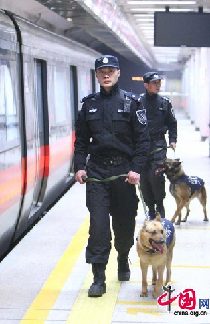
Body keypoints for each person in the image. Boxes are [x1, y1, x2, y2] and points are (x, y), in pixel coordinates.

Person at [74, 55, 150, 297]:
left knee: (125, 225)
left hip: (123, 175)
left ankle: (123, 257)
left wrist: (136, 168)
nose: (106, 74)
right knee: (98, 227)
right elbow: (81, 142)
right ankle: (98, 278)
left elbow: (143, 141)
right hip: (97, 174)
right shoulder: (88, 105)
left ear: (118, 74)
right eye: (101, 71)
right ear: (96, 75)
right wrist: (79, 166)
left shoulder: (132, 103)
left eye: (110, 70)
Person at [139, 71, 177, 219]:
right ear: (146, 85)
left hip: (159, 145)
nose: (158, 85)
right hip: (142, 146)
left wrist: (173, 139)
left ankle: (160, 206)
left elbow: (172, 123)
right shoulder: (138, 102)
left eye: (159, 83)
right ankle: (150, 208)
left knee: (156, 177)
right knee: (144, 180)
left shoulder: (164, 103)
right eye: (154, 83)